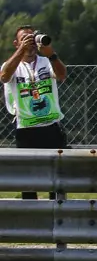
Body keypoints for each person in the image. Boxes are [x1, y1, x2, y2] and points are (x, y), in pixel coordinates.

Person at [1, 26, 68, 199]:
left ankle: (58, 215)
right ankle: (33, 219)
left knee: (56, 179)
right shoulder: (13, 65)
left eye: (32, 38)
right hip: (26, 129)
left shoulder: (46, 62)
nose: (30, 42)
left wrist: (51, 54)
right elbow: (4, 76)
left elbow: (61, 75)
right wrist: (21, 50)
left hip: (51, 127)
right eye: (25, 39)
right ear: (16, 43)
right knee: (29, 181)